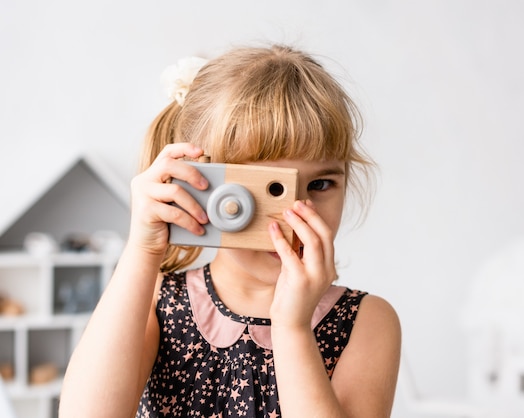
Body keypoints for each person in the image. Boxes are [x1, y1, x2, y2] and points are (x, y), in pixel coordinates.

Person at [59, 44, 401, 418]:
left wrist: (292, 329)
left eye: (319, 185)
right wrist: (142, 252)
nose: (293, 217)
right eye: (268, 189)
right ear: (202, 182)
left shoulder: (366, 322)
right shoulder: (159, 300)